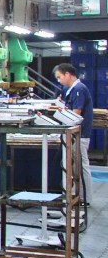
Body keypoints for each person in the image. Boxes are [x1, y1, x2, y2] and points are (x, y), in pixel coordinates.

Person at [53, 63, 93, 207]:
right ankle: (76, 196)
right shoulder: (71, 90)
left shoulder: (79, 89)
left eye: (59, 77)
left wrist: (61, 114)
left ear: (68, 74)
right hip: (74, 134)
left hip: (79, 135)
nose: (59, 80)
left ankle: (84, 198)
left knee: (81, 167)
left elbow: (76, 113)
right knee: (74, 167)